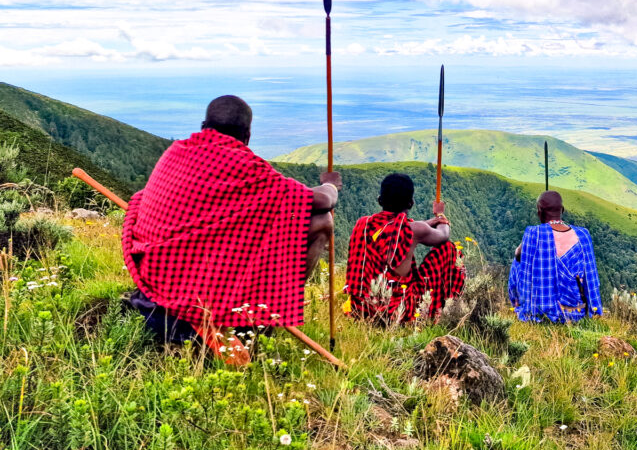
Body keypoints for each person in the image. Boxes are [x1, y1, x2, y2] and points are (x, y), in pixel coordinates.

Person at [121, 95, 340, 346]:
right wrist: (330, 184)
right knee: (323, 221)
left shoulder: (176, 151)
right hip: (195, 289)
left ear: (204, 126)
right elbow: (322, 201)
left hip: (157, 276)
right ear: (247, 136)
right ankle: (264, 318)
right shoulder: (248, 168)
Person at [345, 173, 465, 323]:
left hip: (362, 307)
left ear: (380, 200)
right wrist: (440, 215)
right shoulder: (413, 230)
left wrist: (427, 223)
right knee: (449, 249)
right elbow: (443, 235)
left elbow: (401, 227)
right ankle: (447, 308)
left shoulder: (363, 223)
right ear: (411, 203)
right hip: (399, 311)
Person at [508, 190, 602, 323]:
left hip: (540, 313)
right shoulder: (583, 235)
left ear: (539, 211)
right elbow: (591, 279)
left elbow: (518, 256)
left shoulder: (533, 233)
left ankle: (519, 304)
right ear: (562, 210)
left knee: (518, 262)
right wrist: (595, 311)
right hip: (575, 313)